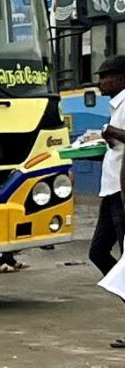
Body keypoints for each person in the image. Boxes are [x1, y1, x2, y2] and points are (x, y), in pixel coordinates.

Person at [89, 56, 125, 282]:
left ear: (121, 79)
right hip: (110, 190)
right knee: (98, 252)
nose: (100, 82)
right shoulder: (117, 105)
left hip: (122, 192)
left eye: (105, 77)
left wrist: (110, 131)